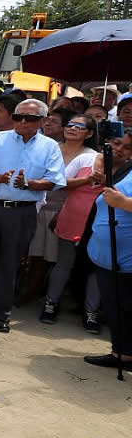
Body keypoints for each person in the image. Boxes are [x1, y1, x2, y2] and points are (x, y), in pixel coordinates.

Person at [0, 99, 66, 333]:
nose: (23, 122)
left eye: (30, 118)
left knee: (10, 263)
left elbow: (56, 181)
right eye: (18, 116)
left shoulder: (50, 146)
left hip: (23, 211)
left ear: (44, 121)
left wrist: (29, 184)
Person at [39, 114, 101, 329]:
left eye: (79, 126)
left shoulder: (119, 167)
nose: (72, 128)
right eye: (70, 124)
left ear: (91, 134)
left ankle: (91, 312)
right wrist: (87, 180)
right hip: (71, 219)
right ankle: (50, 304)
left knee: (96, 268)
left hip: (100, 224)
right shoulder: (86, 161)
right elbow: (60, 182)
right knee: (63, 263)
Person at [83, 133, 132, 371]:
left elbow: (121, 199)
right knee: (115, 307)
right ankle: (120, 351)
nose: (121, 149)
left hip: (126, 259)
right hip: (108, 255)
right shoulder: (127, 168)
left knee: (125, 308)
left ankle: (125, 355)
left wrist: (123, 203)